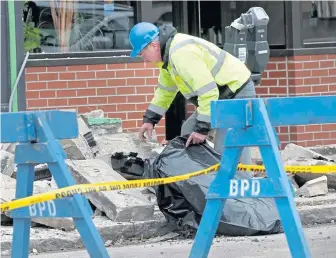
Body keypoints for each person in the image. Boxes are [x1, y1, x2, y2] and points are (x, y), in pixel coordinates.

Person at [128, 22, 256, 164]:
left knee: (228, 148)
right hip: (220, 97)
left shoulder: (181, 54)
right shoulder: (167, 60)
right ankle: (200, 178)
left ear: (154, 46)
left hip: (236, 93)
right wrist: (150, 120)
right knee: (188, 131)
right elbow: (165, 92)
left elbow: (208, 92)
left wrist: (202, 129)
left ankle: (242, 181)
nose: (144, 59)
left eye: (142, 53)